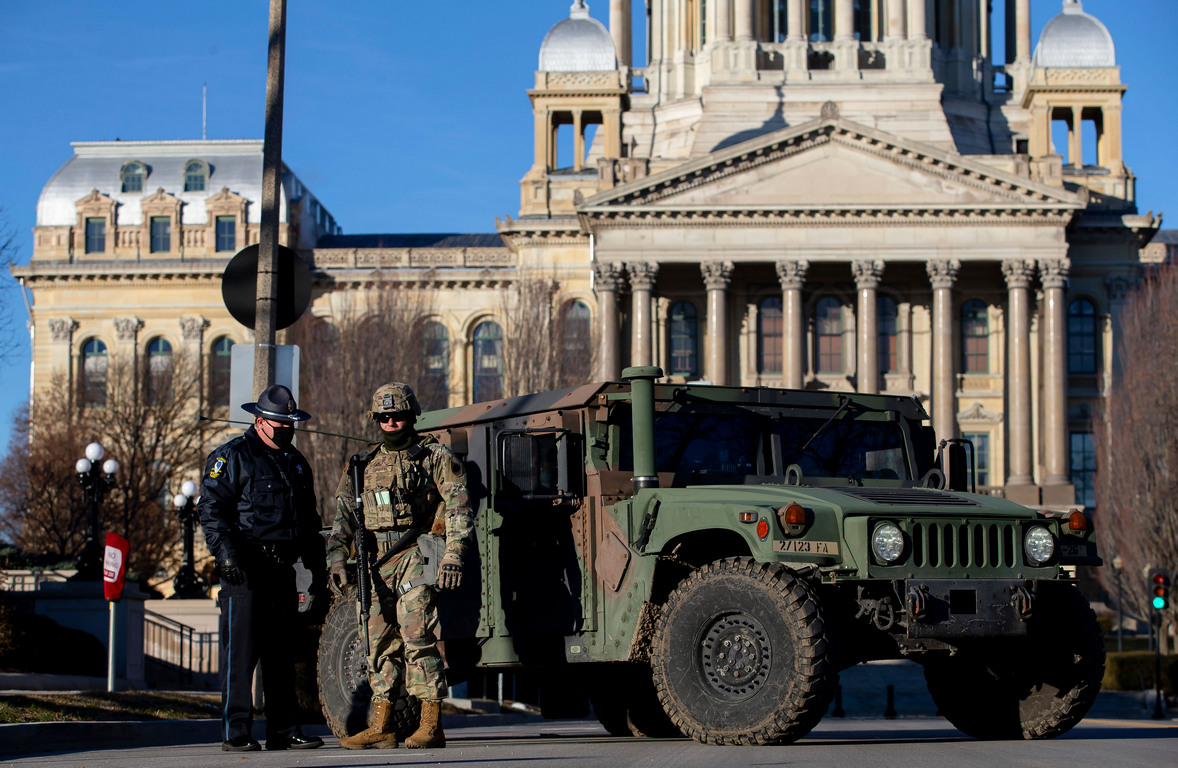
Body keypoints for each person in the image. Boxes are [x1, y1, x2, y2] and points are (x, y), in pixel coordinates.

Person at [327, 382, 473, 750]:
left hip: (416, 556)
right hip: (374, 562)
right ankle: (383, 725)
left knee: (417, 635)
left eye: (398, 415)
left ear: (412, 416)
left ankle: (431, 723)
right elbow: (343, 515)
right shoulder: (361, 464)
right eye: (384, 417)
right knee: (376, 642)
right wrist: (337, 557)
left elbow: (457, 507)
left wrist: (453, 554)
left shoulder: (433, 457)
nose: (391, 422)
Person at [197, 384, 327, 752]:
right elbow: (210, 509)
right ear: (259, 421)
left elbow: (309, 520)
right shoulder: (233, 456)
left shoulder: (297, 462)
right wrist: (225, 555)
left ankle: (284, 730)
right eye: (279, 424)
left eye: (291, 424)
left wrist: (316, 569)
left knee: (281, 655)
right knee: (241, 655)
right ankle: (236, 732)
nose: (286, 430)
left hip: (282, 569)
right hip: (245, 568)